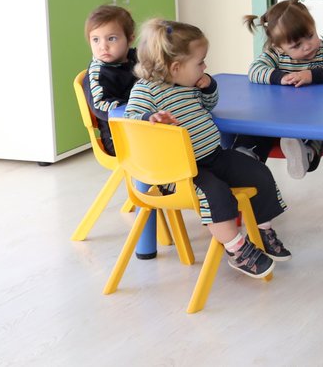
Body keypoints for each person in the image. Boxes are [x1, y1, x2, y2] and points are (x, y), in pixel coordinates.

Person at [124, 19, 291, 279]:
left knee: (258, 172)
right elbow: (130, 120)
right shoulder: (147, 91)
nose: (205, 66)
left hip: (213, 155)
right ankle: (237, 250)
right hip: (183, 172)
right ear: (176, 67)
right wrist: (150, 119)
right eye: (200, 62)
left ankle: (261, 230)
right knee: (217, 193)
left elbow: (210, 104)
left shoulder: (188, 83)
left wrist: (209, 86)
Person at [240, 0, 323, 179]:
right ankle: (248, 156)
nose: (307, 46)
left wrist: (311, 75)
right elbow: (255, 70)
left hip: (315, 117)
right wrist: (280, 77)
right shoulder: (275, 55)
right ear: (280, 47)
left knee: (318, 129)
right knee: (258, 123)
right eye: (296, 45)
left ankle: (306, 153)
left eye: (310, 35)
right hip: (278, 118)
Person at [84, 4, 139, 156]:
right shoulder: (98, 73)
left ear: (130, 39)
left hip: (140, 124)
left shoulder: (135, 57)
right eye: (96, 40)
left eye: (111, 38)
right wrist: (136, 107)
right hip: (117, 137)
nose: (103, 46)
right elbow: (100, 105)